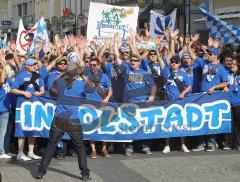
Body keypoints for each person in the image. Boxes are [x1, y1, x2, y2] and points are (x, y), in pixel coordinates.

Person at [36, 60, 91, 181]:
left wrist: (63, 74)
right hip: (73, 120)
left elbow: (51, 88)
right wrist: (81, 74)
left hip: (59, 119)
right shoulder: (80, 84)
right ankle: (85, 173)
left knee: (50, 146)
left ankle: (41, 171)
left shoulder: (60, 82)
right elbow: (89, 86)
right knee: (80, 147)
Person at [10, 58, 44, 161]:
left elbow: (42, 90)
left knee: (32, 128)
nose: (35, 66)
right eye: (32, 65)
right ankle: (20, 153)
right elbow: (12, 89)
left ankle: (30, 152)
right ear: (27, 66)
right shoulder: (21, 76)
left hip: (34, 105)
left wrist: (40, 93)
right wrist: (23, 93)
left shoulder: (38, 76)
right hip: (22, 105)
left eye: (35, 64)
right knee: (21, 128)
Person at [159, 55, 192, 153]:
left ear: (179, 63)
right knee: (167, 123)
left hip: (180, 101)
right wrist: (156, 50)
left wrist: (183, 93)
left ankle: (182, 144)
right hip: (168, 102)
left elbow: (189, 86)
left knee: (181, 123)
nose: (173, 63)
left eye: (176, 62)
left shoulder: (183, 74)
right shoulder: (166, 72)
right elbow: (160, 61)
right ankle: (167, 145)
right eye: (172, 61)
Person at [0, 62, 13, 159]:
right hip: (1, 109)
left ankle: (2, 151)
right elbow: (1, 81)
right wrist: (3, 69)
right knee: (2, 132)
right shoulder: (2, 80)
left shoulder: (9, 80)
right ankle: (1, 152)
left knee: (3, 132)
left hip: (5, 110)